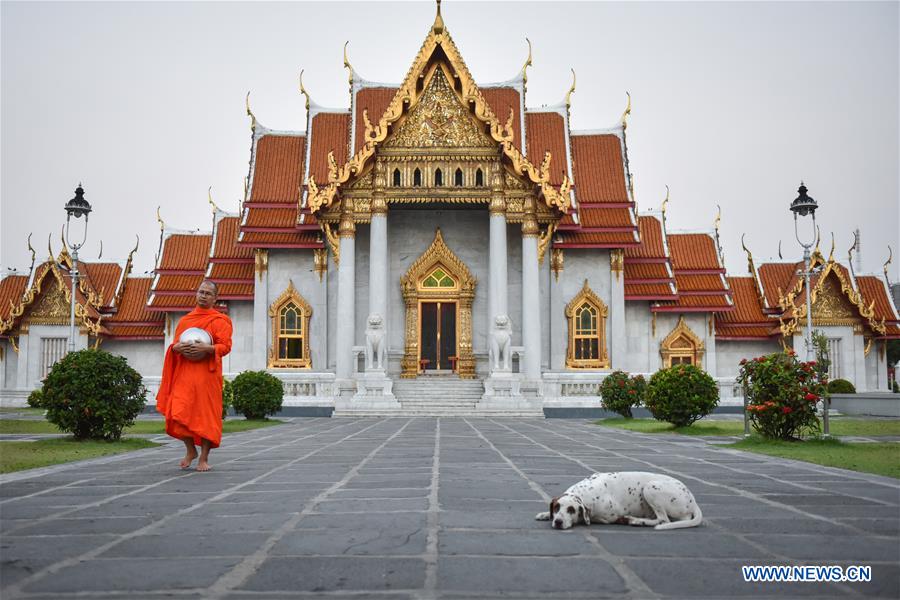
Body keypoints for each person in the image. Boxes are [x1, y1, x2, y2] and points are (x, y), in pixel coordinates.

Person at [156, 280, 232, 471]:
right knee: (177, 411)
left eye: (208, 293)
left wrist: (207, 348)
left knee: (205, 416)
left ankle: (203, 458)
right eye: (201, 292)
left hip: (207, 375)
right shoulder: (185, 321)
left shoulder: (220, 321)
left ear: (215, 298)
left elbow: (225, 346)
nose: (203, 296)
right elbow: (175, 345)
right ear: (196, 294)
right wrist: (177, 347)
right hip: (185, 374)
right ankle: (191, 450)